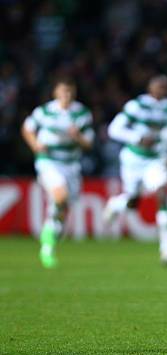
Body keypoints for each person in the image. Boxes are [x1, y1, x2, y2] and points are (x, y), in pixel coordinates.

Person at [103, 75, 167, 265]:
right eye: (159, 87)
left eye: (165, 87)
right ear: (150, 88)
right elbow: (114, 129)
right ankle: (115, 204)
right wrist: (137, 138)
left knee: (162, 192)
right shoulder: (136, 105)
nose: (163, 90)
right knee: (133, 202)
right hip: (133, 160)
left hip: (155, 160)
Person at [21, 78, 95, 268]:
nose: (66, 96)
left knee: (63, 208)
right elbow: (27, 129)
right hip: (49, 162)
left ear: (75, 93)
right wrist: (35, 144)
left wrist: (77, 136)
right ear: (55, 93)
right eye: (63, 92)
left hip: (71, 164)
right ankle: (47, 248)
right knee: (60, 197)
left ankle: (49, 238)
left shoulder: (82, 113)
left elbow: (89, 144)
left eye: (70, 92)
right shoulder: (44, 111)